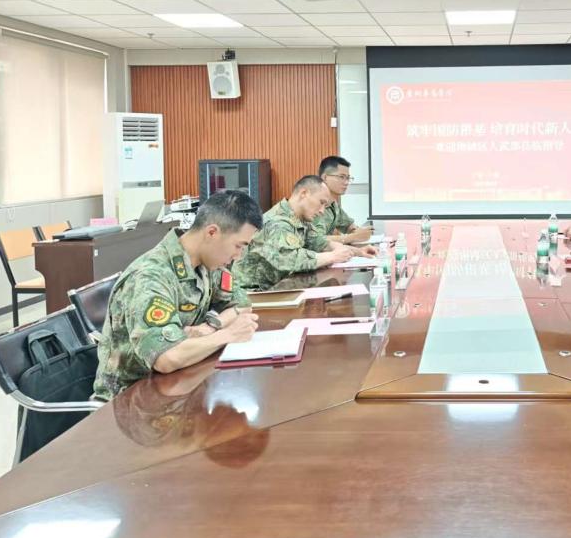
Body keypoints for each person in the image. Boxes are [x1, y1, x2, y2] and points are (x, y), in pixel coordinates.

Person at [94, 190, 263, 401]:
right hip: (130, 400)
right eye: (238, 246)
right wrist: (227, 335)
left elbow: (242, 306)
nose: (238, 256)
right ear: (212, 232)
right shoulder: (151, 276)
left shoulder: (208, 263)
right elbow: (167, 358)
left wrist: (211, 327)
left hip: (179, 386)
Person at [233, 175, 375, 290]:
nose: (322, 211)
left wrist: (358, 252)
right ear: (304, 194)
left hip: (278, 288)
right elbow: (290, 259)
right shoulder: (278, 222)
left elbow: (320, 243)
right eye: (321, 203)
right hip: (254, 294)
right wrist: (332, 257)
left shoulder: (301, 219)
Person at [312, 155, 372, 245]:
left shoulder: (333, 204)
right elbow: (315, 240)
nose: (346, 182)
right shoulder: (313, 204)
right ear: (325, 178)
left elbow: (348, 226)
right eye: (341, 177)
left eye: (348, 178)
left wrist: (359, 232)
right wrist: (352, 237)